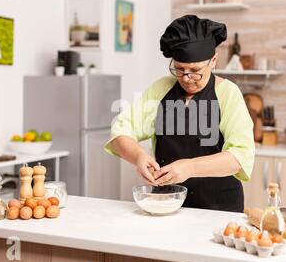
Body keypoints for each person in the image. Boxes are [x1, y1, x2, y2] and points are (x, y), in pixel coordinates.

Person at [104, 15, 255, 212]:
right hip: (165, 204)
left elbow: (239, 157)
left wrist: (190, 167)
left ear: (213, 61)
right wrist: (139, 156)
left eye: (195, 70)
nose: (187, 78)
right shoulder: (161, 89)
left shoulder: (228, 93)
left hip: (218, 208)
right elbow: (120, 133)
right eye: (179, 69)